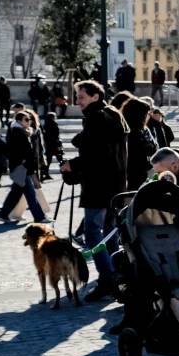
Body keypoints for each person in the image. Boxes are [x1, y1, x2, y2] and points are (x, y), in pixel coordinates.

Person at [63, 81, 127, 301]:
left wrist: (73, 164)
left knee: (93, 233)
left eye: (81, 97)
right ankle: (115, 276)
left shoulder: (97, 118)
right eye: (77, 96)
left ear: (95, 97)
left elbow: (96, 154)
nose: (77, 101)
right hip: (114, 185)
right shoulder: (110, 116)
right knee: (109, 233)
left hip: (99, 185)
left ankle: (108, 278)